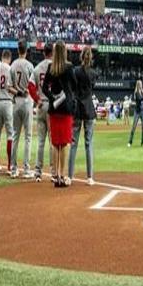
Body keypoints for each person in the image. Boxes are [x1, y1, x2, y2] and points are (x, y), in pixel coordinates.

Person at [43, 40, 76, 188]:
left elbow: (44, 88)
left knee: (55, 143)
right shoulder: (69, 68)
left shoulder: (51, 67)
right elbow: (74, 86)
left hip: (54, 109)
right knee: (65, 143)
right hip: (66, 108)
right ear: (65, 52)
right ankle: (62, 175)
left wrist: (52, 97)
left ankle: (55, 176)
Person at [69, 47, 97, 185]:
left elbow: (73, 88)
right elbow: (92, 88)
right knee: (88, 143)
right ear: (90, 57)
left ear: (81, 57)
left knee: (73, 143)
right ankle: (90, 177)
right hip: (89, 109)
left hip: (78, 109)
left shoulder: (75, 71)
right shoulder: (93, 73)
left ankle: (70, 176)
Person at [29, 41, 54, 181]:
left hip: (40, 105)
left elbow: (31, 86)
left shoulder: (38, 67)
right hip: (51, 105)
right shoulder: (55, 67)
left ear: (44, 52)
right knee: (52, 141)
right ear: (53, 53)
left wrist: (37, 100)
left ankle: (38, 172)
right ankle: (53, 171)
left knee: (40, 141)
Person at [9, 40, 34, 178]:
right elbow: (32, 86)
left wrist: (17, 92)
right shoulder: (30, 65)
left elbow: (9, 87)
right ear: (26, 50)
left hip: (16, 101)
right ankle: (26, 169)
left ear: (18, 50)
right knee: (28, 137)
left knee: (15, 136)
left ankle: (13, 169)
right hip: (27, 100)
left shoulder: (12, 65)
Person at [128, 80, 143, 147]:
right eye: (140, 84)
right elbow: (140, 98)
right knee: (134, 127)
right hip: (137, 112)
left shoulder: (142, 92)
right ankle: (130, 141)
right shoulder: (136, 93)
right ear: (138, 85)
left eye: (141, 84)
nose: (141, 85)